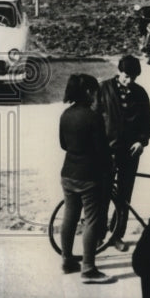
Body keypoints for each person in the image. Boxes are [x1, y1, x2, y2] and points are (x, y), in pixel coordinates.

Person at [94, 55, 150, 252]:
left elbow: (149, 121)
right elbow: (93, 119)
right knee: (102, 194)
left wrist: (141, 141)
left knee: (124, 195)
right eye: (126, 76)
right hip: (105, 153)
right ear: (119, 72)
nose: (129, 81)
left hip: (130, 153)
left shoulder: (140, 93)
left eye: (133, 78)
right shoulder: (103, 89)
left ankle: (117, 235)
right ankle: (98, 236)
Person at [58, 74, 116, 284]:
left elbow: (63, 144)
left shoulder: (65, 114)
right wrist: (109, 167)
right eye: (94, 91)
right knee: (92, 220)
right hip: (89, 176)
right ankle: (89, 269)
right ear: (88, 92)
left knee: (70, 216)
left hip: (68, 173)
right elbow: (102, 151)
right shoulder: (93, 117)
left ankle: (67, 261)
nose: (96, 95)